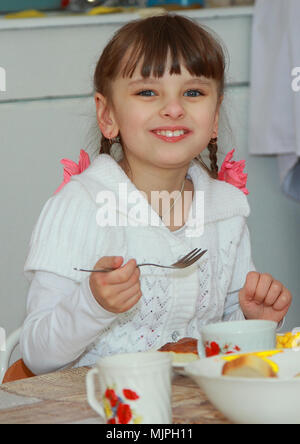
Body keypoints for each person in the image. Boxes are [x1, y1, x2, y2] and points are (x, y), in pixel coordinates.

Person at [21, 14, 292, 375]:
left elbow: (226, 347)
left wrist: (253, 320)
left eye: (193, 92)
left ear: (215, 118)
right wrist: (93, 303)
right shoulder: (79, 206)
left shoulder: (225, 210)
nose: (174, 108)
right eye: (147, 92)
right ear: (107, 114)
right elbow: (36, 355)